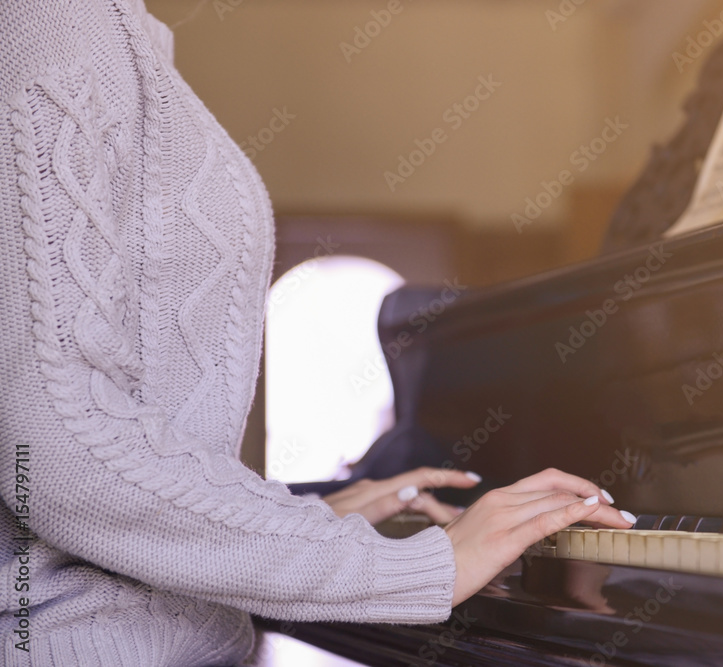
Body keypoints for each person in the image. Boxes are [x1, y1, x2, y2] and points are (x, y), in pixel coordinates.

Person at [0, 1, 635, 665]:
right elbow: (52, 451)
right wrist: (423, 566)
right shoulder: (54, 17)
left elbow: (126, 413)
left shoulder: (108, 26)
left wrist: (303, 519)